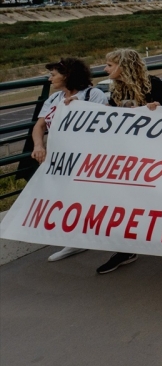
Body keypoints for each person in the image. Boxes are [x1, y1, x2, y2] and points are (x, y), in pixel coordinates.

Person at [95, 49, 162, 275]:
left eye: (110, 65)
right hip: (128, 156)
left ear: (124, 66)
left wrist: (158, 109)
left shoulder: (154, 85)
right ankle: (125, 249)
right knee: (125, 201)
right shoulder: (117, 90)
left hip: (156, 156)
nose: (105, 69)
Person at [31, 57, 108, 263]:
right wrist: (39, 145)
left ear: (67, 76)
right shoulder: (54, 99)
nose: (50, 79)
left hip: (87, 157)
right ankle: (77, 239)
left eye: (53, 75)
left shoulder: (93, 94)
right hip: (61, 157)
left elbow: (104, 123)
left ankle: (98, 236)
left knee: (89, 196)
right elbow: (39, 126)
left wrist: (78, 108)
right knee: (65, 197)